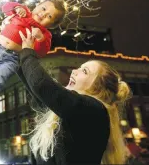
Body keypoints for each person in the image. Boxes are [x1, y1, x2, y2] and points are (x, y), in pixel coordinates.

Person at [17, 28, 132, 164]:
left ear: (98, 86)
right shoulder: (74, 110)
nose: (74, 71)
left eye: (84, 71)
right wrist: (16, 53)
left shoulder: (94, 110)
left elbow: (42, 86)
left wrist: (28, 53)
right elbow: (38, 93)